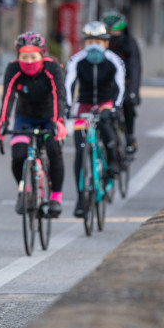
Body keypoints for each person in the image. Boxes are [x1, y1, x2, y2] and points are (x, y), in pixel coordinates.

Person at [0, 31, 68, 218]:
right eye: (24, 57)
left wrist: (58, 122)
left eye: (33, 56)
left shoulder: (52, 68)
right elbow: (8, 96)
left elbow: (60, 96)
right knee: (18, 155)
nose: (28, 61)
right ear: (18, 56)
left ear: (43, 55)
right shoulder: (13, 69)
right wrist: (2, 122)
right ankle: (24, 188)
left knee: (53, 149)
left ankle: (56, 197)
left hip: (50, 116)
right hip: (24, 117)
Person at [64, 20, 126, 217]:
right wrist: (66, 106)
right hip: (84, 104)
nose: (94, 46)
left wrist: (115, 106)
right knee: (81, 153)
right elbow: (68, 84)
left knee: (107, 124)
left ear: (106, 44)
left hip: (106, 102)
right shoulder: (76, 60)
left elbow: (120, 86)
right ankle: (81, 199)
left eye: (98, 42)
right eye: (89, 41)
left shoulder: (114, 61)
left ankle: (113, 164)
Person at [103, 11, 142, 155]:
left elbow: (135, 68)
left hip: (124, 82)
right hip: (106, 82)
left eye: (116, 31)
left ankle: (130, 136)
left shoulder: (129, 43)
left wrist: (134, 91)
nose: (113, 35)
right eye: (110, 31)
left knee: (128, 103)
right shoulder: (102, 43)